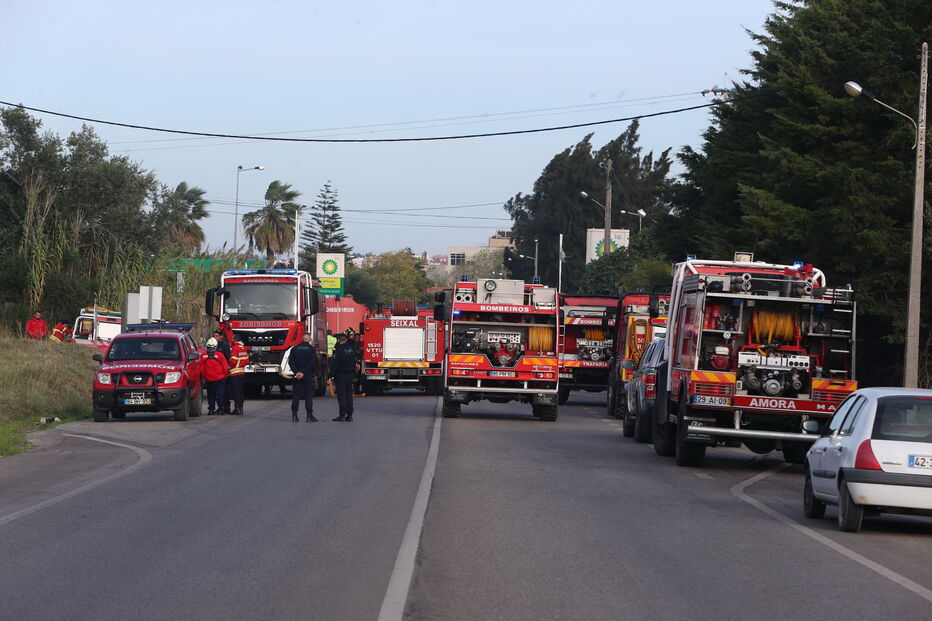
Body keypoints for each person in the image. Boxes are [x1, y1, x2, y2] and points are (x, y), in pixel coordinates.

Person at [329, 330, 360, 422]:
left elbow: (335, 365)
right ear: (346, 339)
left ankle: (342, 415)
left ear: (339, 340)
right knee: (349, 395)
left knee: (341, 396)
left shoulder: (338, 350)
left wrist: (330, 376)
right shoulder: (351, 349)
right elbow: (356, 360)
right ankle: (350, 415)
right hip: (350, 374)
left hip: (340, 375)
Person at [288, 332, 319, 422]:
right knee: (308, 396)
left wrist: (296, 372)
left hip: (297, 376)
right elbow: (312, 364)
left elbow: (291, 362)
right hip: (307, 375)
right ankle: (309, 415)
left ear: (302, 339)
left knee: (296, 395)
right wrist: (303, 372)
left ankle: (294, 415)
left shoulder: (295, 348)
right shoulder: (311, 349)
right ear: (309, 339)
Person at [201, 338, 230, 415]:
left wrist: (204, 377)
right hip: (220, 378)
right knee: (220, 394)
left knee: (211, 395)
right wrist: (225, 376)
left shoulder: (203, 356)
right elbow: (225, 367)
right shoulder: (220, 355)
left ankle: (211, 409)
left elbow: (201, 368)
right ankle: (221, 409)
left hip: (209, 379)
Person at [227, 334, 249, 416]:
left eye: (232, 339)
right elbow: (246, 360)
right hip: (242, 372)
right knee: (240, 391)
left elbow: (233, 361)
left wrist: (229, 367)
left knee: (236, 392)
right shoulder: (243, 348)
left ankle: (237, 409)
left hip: (235, 372)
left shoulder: (235, 348)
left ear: (235, 340)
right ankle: (241, 408)